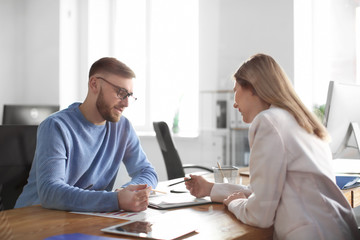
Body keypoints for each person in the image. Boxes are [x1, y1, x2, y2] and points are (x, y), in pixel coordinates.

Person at [185, 54, 360, 239]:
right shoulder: (299, 121)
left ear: (252, 88)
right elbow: (263, 193)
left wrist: (235, 204)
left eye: (235, 90)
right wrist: (210, 188)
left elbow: (260, 215)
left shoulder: (267, 121)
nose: (234, 103)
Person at [15, 57, 158, 212]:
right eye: (120, 92)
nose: (126, 103)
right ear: (94, 84)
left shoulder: (122, 127)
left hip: (82, 218)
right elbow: (51, 192)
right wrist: (116, 199)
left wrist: (128, 193)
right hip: (35, 221)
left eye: (129, 95)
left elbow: (146, 171)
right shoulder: (56, 126)